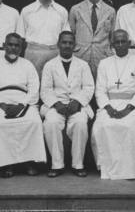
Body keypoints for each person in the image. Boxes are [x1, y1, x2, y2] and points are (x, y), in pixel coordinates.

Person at [0, 32, 46, 178]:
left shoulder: (28, 65)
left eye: (17, 45)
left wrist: (22, 105)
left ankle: (29, 161)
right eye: (10, 45)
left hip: (23, 101)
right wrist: (2, 105)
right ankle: (6, 164)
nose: (13, 48)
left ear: (21, 48)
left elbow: (34, 88)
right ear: (4, 46)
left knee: (33, 121)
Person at [91, 29, 135, 180]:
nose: (120, 44)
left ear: (129, 43)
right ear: (112, 45)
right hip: (109, 104)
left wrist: (129, 108)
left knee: (130, 126)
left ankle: (132, 170)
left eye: (123, 41)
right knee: (103, 126)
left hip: (132, 105)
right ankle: (109, 169)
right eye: (117, 42)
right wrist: (109, 108)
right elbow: (100, 91)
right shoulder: (104, 64)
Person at [40, 31, 94, 177]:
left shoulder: (83, 65)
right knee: (50, 123)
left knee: (81, 123)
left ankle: (78, 164)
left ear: (74, 45)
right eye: (64, 42)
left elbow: (89, 87)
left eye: (70, 43)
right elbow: (45, 89)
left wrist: (78, 102)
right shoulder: (49, 65)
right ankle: (57, 164)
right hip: (56, 105)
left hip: (77, 105)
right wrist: (56, 104)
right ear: (58, 44)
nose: (67, 45)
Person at [17, 0, 70, 77]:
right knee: (33, 84)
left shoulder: (61, 11)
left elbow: (65, 36)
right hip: (33, 53)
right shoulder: (27, 10)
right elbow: (20, 37)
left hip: (54, 53)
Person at [69, 0, 116, 78]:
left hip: (102, 57)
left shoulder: (110, 11)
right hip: (81, 57)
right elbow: (71, 34)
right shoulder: (76, 10)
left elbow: (112, 37)